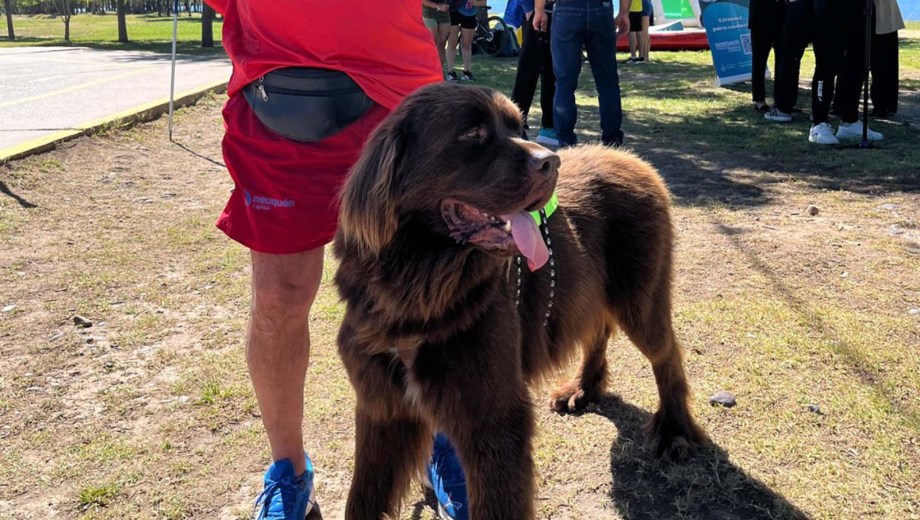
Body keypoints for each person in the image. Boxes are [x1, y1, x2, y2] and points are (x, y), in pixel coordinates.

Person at [204, 2, 446, 519]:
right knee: (277, 298)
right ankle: (288, 475)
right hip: (279, 91)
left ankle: (437, 445)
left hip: (398, 93)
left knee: (412, 296)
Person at [535, 0, 631, 147]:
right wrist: (624, 12)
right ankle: (612, 140)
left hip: (566, 9)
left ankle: (565, 142)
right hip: (601, 9)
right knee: (608, 83)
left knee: (564, 83)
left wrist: (539, 10)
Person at [808, 0, 884, 144]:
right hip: (828, 10)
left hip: (859, 9)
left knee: (855, 67)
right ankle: (819, 123)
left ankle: (850, 121)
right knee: (826, 66)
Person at [510, 0, 559, 146]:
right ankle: (515, 125)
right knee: (528, 72)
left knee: (552, 72)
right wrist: (529, 9)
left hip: (555, 13)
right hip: (535, 13)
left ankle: (548, 126)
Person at [763, 0, 812, 122]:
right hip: (818, 9)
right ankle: (819, 112)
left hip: (799, 8)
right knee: (821, 63)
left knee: (788, 58)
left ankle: (783, 109)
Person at [748, 0, 785, 113]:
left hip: (782, 14)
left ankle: (781, 101)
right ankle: (759, 100)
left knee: (783, 60)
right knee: (759, 60)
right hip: (761, 15)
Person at [870, 0, 905, 117]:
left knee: (885, 65)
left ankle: (884, 105)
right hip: (860, 15)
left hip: (883, 17)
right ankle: (842, 105)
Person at [447, 0, 479, 81]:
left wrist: (473, 2)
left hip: (469, 13)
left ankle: (467, 72)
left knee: (467, 44)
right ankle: (450, 72)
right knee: (452, 43)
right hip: (453, 11)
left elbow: (483, 3)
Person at [423, 0, 454, 79]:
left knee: (442, 43)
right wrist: (438, 6)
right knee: (432, 43)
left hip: (444, 13)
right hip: (429, 12)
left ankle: (439, 71)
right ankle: (428, 70)